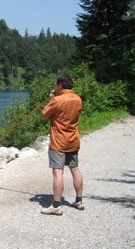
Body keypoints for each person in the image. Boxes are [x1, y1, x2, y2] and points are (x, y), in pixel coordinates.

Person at [41, 74, 84, 215]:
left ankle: (56, 205)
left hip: (58, 142)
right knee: (75, 169)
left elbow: (44, 114)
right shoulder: (78, 99)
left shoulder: (57, 100)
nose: (55, 87)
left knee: (58, 172)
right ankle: (78, 200)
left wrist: (52, 100)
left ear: (60, 85)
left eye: (56, 85)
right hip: (73, 140)